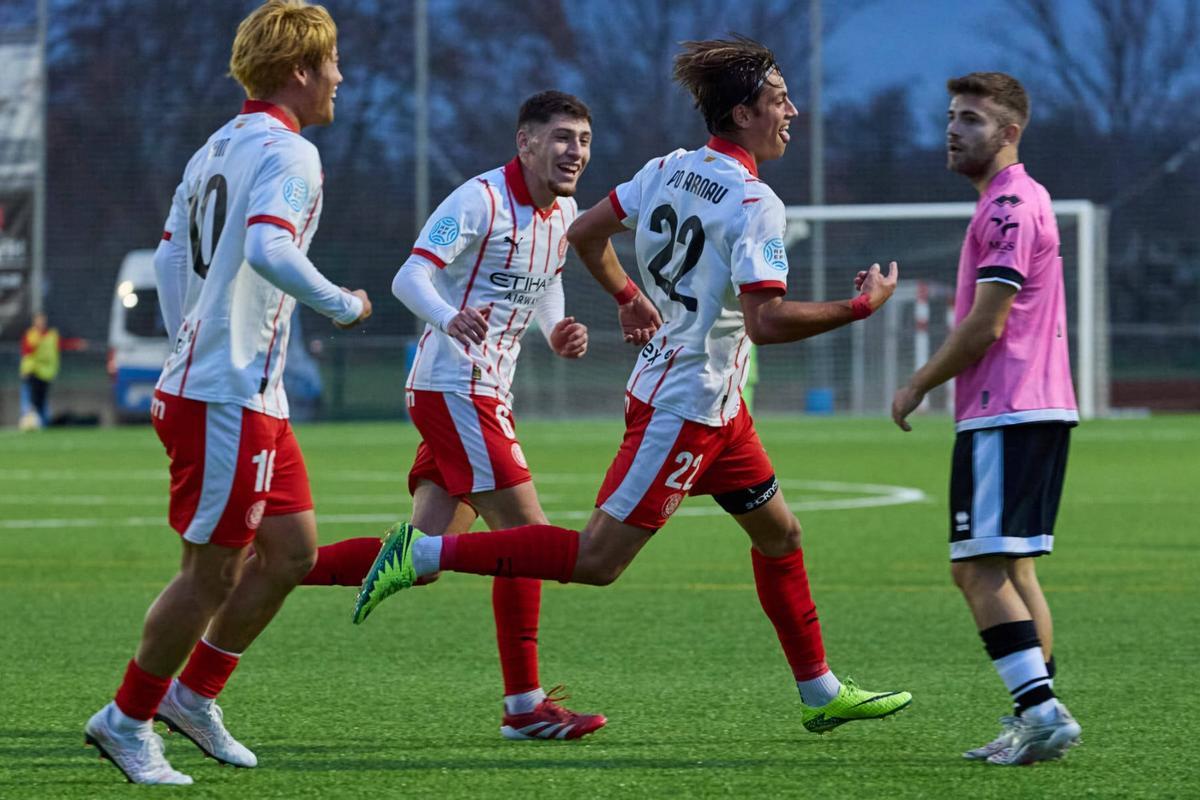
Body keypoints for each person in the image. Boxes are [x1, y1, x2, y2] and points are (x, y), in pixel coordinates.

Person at [357, 36, 912, 734]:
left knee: (781, 535)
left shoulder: (670, 170)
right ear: (742, 113)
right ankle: (426, 552)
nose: (791, 111)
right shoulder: (754, 203)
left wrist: (625, 294)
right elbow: (766, 321)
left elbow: (584, 234)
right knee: (594, 561)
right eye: (779, 99)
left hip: (713, 404)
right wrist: (859, 307)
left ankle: (821, 689)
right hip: (684, 404)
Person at [83, 0, 371, 785]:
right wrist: (342, 303)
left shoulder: (214, 148)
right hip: (222, 395)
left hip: (244, 391)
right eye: (333, 63)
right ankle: (127, 718)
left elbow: (174, 258)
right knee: (210, 572)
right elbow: (269, 247)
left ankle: (192, 695)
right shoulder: (291, 154)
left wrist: (194, 337)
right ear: (301, 70)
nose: (342, 78)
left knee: (291, 553)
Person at [303, 90, 605, 741]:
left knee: (422, 551)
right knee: (528, 540)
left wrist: (555, 332)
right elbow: (409, 277)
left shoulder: (565, 213)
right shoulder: (478, 200)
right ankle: (524, 710)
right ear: (525, 141)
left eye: (582, 138)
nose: (574, 150)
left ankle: (262, 567)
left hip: (485, 392)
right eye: (561, 137)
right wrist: (447, 316)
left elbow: (546, 280)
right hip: (455, 388)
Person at [891, 72, 1081, 766]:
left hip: (1007, 410)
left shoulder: (1006, 208)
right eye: (950, 117)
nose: (953, 129)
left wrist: (917, 384)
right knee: (1015, 571)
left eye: (971, 119)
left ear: (1009, 133)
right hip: (1036, 407)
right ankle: (1037, 713)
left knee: (975, 572)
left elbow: (987, 323)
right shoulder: (1022, 199)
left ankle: (1040, 712)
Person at [18, 312, 85, 429]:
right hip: (33, 371)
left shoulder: (51, 335)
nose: (41, 322)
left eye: (42, 320)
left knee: (41, 399)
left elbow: (62, 344)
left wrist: (76, 344)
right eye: (38, 320)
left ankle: (41, 423)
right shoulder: (31, 335)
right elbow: (26, 352)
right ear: (34, 321)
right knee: (33, 398)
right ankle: (30, 422)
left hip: (46, 373)